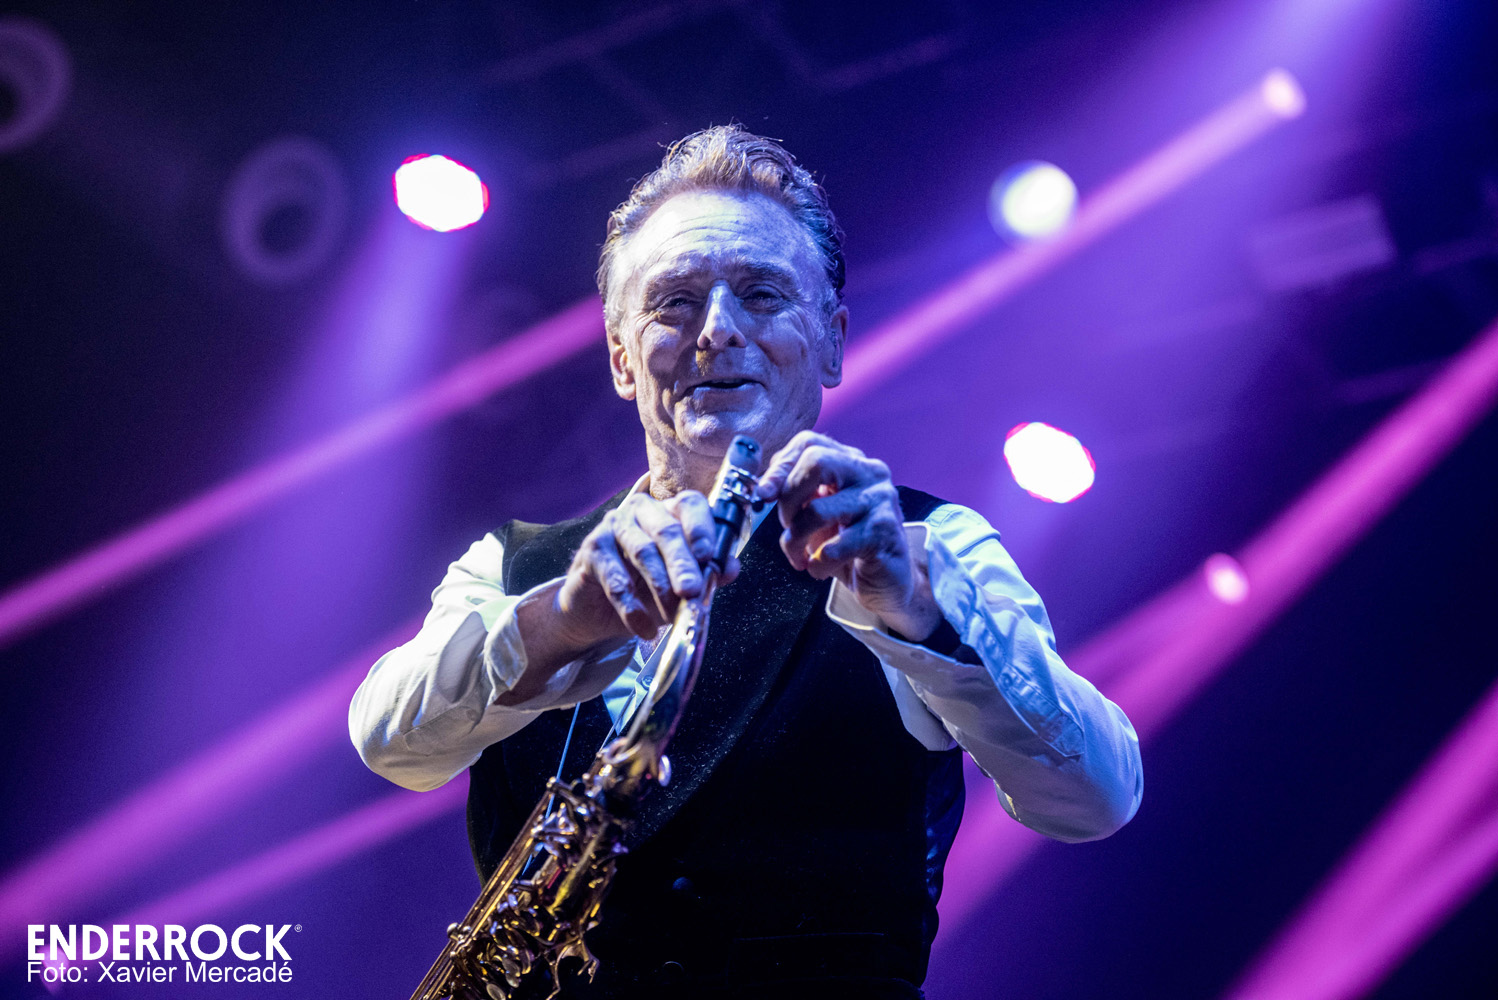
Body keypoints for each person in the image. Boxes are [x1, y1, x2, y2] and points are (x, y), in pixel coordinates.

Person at [350, 125, 1142, 999]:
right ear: (621, 359)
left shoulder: (932, 544)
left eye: (762, 295)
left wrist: (917, 607)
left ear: (832, 342)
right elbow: (388, 742)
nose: (718, 332)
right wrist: (558, 623)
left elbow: (1096, 797)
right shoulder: (516, 563)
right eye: (674, 303)